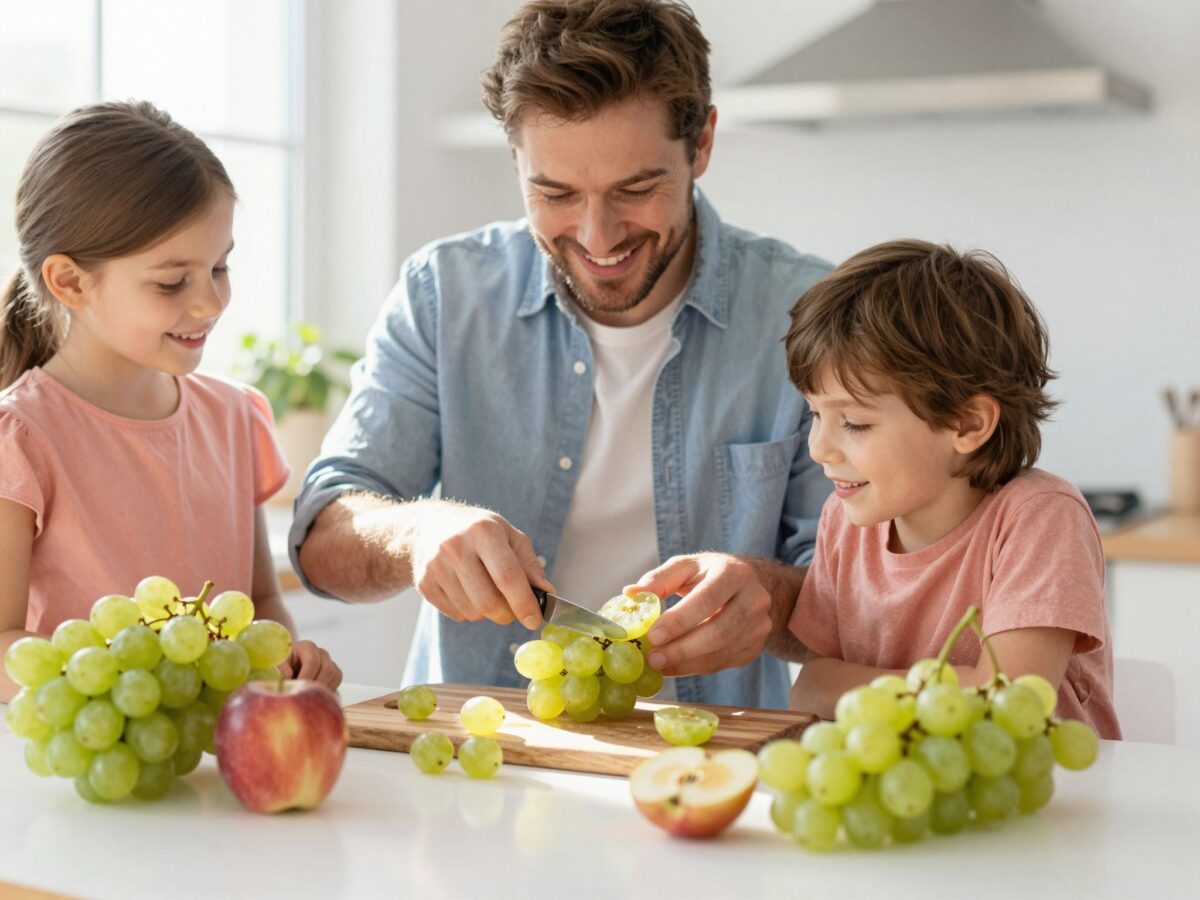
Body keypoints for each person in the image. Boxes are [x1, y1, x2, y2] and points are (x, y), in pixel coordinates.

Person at [290, 0, 831, 708]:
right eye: (555, 193)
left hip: (709, 756)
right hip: (481, 756)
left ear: (700, 144)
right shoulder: (445, 292)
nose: (598, 236)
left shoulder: (807, 314)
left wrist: (772, 598)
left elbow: (860, 592)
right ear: (515, 160)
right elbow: (322, 539)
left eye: (636, 190)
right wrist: (416, 533)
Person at [0, 101, 342, 703]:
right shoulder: (20, 439)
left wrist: (289, 661)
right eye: (171, 281)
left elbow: (260, 603)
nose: (210, 302)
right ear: (71, 282)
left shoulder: (235, 418)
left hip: (220, 767)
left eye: (220, 266)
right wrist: (140, 682)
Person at [780, 239, 1120, 738]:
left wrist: (840, 686)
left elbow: (1007, 703)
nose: (818, 448)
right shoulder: (844, 519)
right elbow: (811, 687)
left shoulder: (1040, 517)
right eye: (814, 413)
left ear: (966, 422)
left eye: (853, 422)